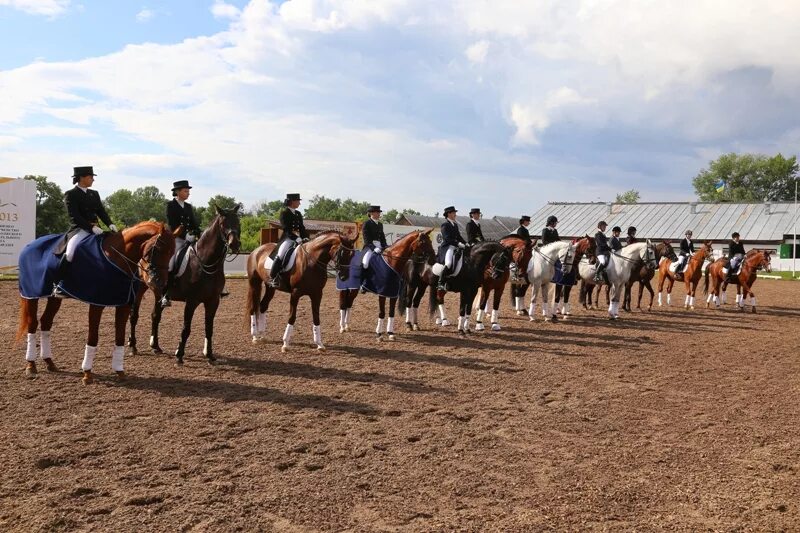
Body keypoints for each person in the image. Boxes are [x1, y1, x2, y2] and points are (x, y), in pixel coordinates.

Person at [52, 166, 117, 297]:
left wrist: (110, 224)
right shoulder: (71, 194)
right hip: (79, 229)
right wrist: (90, 227)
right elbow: (74, 216)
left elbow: (101, 211)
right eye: (90, 177)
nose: (93, 179)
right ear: (81, 178)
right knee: (70, 252)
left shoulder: (94, 193)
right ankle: (58, 284)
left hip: (97, 229)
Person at [160, 179, 202, 307]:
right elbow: (172, 225)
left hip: (191, 239)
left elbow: (194, 223)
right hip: (177, 239)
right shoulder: (171, 205)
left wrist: (200, 234)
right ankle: (166, 294)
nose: (188, 193)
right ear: (177, 192)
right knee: (171, 264)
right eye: (185, 191)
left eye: (188, 191)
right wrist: (185, 236)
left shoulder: (188, 206)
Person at [268, 193, 309, 288]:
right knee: (281, 254)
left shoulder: (298, 213)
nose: (299, 203)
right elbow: (286, 229)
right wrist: (296, 238)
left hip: (299, 238)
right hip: (288, 238)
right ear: (292, 202)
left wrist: (305, 237)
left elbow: (302, 228)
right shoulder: (284, 213)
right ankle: (273, 278)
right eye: (298, 201)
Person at [438, 206, 466, 290]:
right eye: (454, 213)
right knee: (449, 263)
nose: (455, 215)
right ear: (449, 214)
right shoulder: (445, 225)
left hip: (456, 247)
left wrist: (466, 243)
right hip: (448, 247)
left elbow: (459, 237)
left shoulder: (455, 225)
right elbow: (447, 238)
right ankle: (440, 282)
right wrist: (458, 243)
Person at [360, 205, 388, 291]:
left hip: (380, 247)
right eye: (377, 212)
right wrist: (373, 248)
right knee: (365, 264)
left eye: (379, 212)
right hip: (369, 247)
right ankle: (363, 284)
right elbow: (366, 240)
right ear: (371, 213)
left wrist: (385, 246)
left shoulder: (380, 224)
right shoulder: (366, 224)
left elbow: (382, 237)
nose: (379, 214)